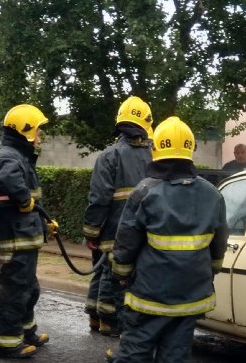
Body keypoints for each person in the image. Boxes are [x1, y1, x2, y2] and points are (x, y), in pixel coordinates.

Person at [107, 117, 228, 363]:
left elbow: (126, 242)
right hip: (190, 296)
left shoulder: (144, 192)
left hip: (149, 295)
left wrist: (120, 276)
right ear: (190, 149)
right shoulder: (213, 194)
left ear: (155, 149)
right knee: (176, 355)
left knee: (134, 353)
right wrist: (211, 270)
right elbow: (219, 244)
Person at [83, 96, 154, 336]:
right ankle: (108, 319)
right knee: (115, 275)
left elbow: (98, 197)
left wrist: (91, 230)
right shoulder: (154, 156)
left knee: (104, 269)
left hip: (111, 226)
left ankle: (96, 316)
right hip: (139, 228)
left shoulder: (108, 156)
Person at [0, 104, 54, 359]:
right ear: (24, 131)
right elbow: (9, 180)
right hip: (15, 241)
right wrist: (24, 200)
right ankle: (5, 342)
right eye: (37, 131)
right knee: (15, 292)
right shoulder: (9, 157)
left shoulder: (18, 156)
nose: (39, 136)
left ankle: (26, 331)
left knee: (29, 289)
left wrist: (44, 220)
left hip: (24, 238)